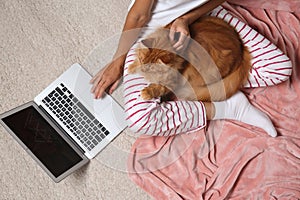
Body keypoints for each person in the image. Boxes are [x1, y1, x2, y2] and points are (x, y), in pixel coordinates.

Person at [90, 0, 292, 137]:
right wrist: (118, 60)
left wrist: (186, 19)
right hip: (152, 37)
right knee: (141, 119)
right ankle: (227, 107)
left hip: (203, 17)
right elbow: (139, 16)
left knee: (279, 68)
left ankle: (203, 81)